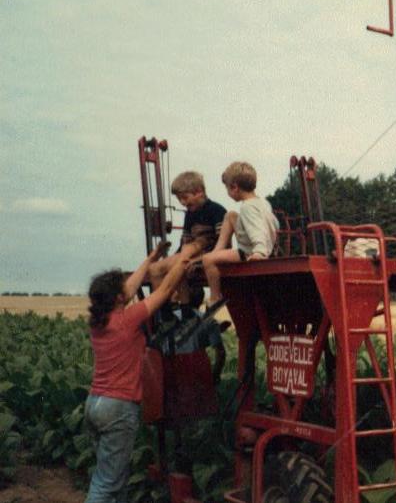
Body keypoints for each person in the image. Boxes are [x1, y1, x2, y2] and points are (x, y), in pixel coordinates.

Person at [84, 241, 196, 503]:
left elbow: (130, 287)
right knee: (106, 484)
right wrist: (184, 260)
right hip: (118, 409)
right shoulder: (128, 319)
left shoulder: (100, 321)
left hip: (95, 404)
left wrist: (151, 258)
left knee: (114, 477)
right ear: (119, 298)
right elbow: (167, 289)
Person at [201, 161, 278, 308]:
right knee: (230, 215)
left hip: (248, 251)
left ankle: (215, 298)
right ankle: (217, 252)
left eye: (227, 189)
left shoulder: (247, 208)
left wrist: (260, 251)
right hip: (265, 245)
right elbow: (274, 224)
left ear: (234, 187)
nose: (228, 193)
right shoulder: (262, 202)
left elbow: (258, 231)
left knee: (207, 260)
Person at [148, 171, 226, 300]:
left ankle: (185, 308)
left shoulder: (216, 210)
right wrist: (174, 256)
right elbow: (185, 242)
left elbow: (222, 242)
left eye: (185, 198)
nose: (182, 203)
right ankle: (167, 310)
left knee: (180, 266)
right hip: (190, 254)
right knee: (155, 268)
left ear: (199, 192)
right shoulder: (189, 214)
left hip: (209, 255)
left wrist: (199, 259)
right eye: (179, 199)